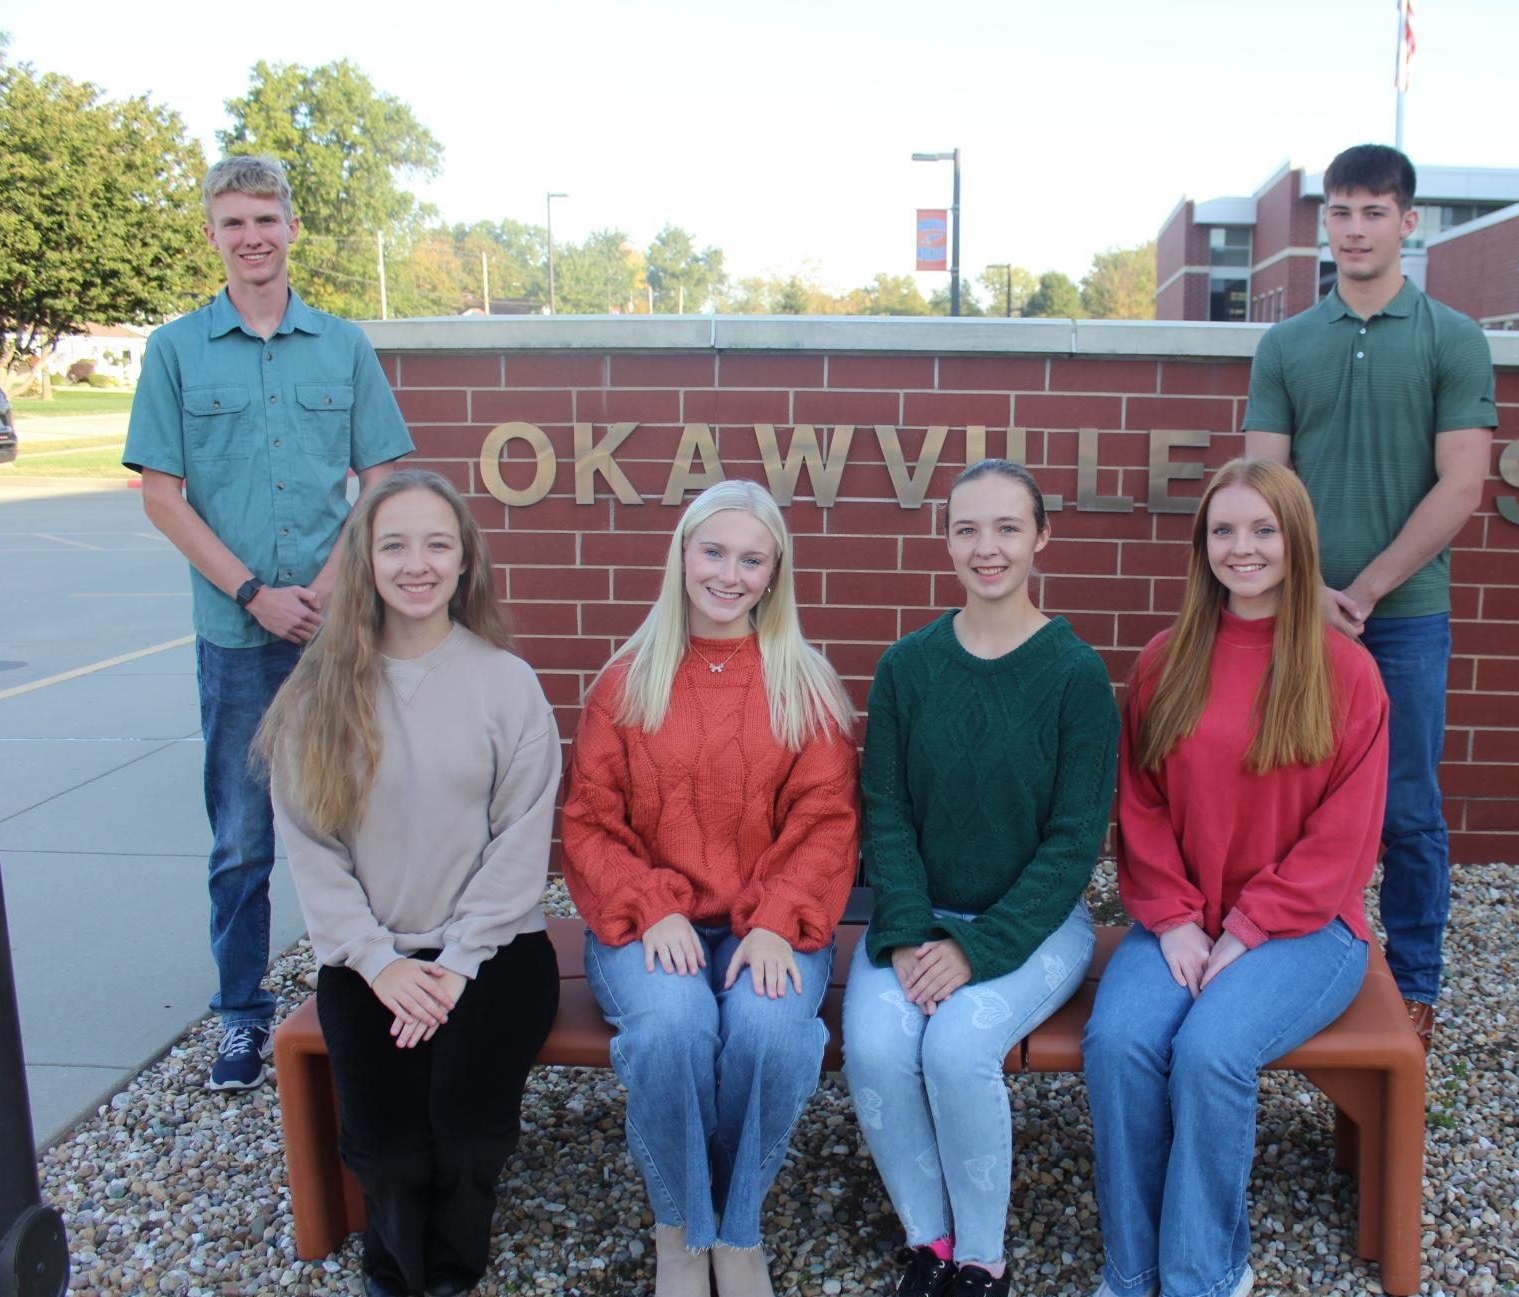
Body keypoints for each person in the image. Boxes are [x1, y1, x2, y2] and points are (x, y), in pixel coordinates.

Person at [123, 155, 413, 1090]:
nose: (252, 236)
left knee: (365, 814)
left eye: (266, 219)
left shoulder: (343, 346)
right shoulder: (174, 351)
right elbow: (162, 498)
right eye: (233, 222)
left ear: (292, 228)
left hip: (340, 632)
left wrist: (330, 584)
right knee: (244, 835)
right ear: (213, 233)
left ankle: (380, 988)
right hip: (238, 637)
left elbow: (381, 479)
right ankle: (242, 1014)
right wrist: (255, 591)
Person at [1082, 458, 1388, 1297]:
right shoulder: (1164, 660)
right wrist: (1176, 917)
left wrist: (1248, 929)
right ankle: (1132, 1268)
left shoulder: (1346, 672)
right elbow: (1140, 806)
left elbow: (1343, 838)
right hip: (1180, 917)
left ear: (1296, 542)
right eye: (1224, 530)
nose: (1242, 547)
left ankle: (1201, 1275)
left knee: (1214, 1049)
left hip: (1306, 928)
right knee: (1119, 1042)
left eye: (1262, 529)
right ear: (1201, 544)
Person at [256, 468, 561, 1297]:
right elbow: (312, 850)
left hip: (495, 954)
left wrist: (457, 960)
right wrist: (379, 962)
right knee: (389, 1149)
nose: (417, 563)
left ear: (465, 564)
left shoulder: (506, 684)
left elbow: (521, 841)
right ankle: (394, 1273)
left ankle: (451, 1275)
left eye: (438, 543)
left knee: (465, 1136)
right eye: (395, 544)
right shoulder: (318, 692)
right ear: (365, 559)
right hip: (371, 959)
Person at [561, 478, 860, 1297]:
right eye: (714, 551)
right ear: (683, 555)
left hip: (768, 920)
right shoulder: (627, 681)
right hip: (653, 921)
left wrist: (774, 921)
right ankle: (681, 1234)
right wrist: (651, 904)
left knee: (768, 1033)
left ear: (774, 574)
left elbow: (828, 820)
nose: (730, 573)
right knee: (672, 1031)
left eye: (751, 559)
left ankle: (739, 1232)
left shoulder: (803, 682)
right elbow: (588, 819)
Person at [843, 459, 1120, 1297]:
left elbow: (1075, 843)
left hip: (1032, 924)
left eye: (1006, 527)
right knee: (878, 1044)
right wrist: (914, 927)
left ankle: (982, 1261)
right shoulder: (907, 667)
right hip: (918, 917)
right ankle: (929, 1243)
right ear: (947, 538)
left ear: (1042, 536)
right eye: (967, 528)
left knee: (960, 1046)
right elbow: (884, 814)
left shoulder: (1077, 677)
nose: (986, 547)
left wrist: (974, 947)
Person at [1243, 143, 1496, 1042]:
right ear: (1326, 224)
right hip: (1293, 612)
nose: (1355, 229)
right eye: (1340, 212)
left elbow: (1462, 483)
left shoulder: (1452, 339)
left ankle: (1417, 983)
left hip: (1406, 618)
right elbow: (1262, 484)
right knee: (1283, 792)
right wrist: (1308, 591)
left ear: (1408, 221)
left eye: (1374, 212)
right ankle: (1280, 955)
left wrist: (1366, 589)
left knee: (1409, 807)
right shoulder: (1287, 343)